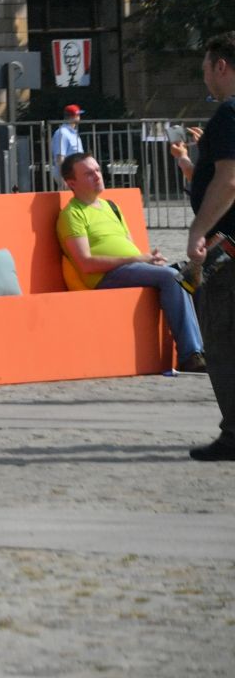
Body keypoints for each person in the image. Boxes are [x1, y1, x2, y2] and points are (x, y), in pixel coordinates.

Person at [57, 152, 205, 372]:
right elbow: (86, 263)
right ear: (71, 183)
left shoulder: (111, 207)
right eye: (89, 174)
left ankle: (207, 348)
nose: (97, 176)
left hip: (130, 269)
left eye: (97, 170)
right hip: (104, 276)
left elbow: (130, 247)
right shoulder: (72, 214)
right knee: (172, 276)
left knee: (192, 274)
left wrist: (149, 260)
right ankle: (190, 355)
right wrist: (138, 259)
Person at [183, 33, 235, 460]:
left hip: (229, 246)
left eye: (205, 68)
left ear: (222, 66)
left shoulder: (230, 113)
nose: (205, 77)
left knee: (222, 338)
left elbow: (229, 181)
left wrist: (199, 230)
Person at [51, 105, 85, 169]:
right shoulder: (62, 133)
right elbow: (60, 158)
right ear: (71, 116)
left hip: (75, 172)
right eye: (77, 115)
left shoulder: (73, 133)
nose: (79, 117)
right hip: (68, 174)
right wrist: (65, 176)